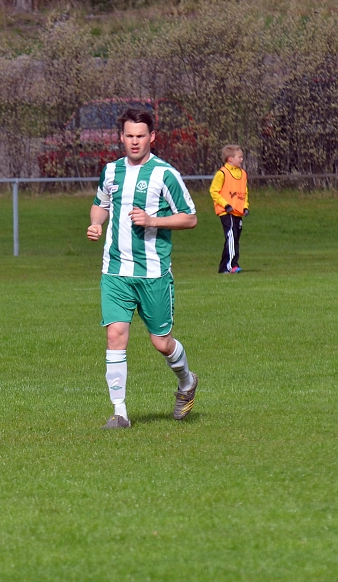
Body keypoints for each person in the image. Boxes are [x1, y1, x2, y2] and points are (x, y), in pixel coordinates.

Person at [86, 108, 200, 429]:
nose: (134, 142)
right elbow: (100, 204)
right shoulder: (110, 172)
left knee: (161, 342)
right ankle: (119, 412)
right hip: (115, 271)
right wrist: (96, 224)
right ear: (121, 137)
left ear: (152, 137)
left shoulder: (165, 174)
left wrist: (152, 220)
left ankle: (186, 382)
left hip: (152, 273)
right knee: (115, 335)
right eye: (129, 136)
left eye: (140, 136)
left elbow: (190, 218)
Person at [209, 144, 249, 274]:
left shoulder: (243, 174)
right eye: (239, 157)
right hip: (227, 212)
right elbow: (214, 191)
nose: (242, 159)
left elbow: (245, 192)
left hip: (238, 212)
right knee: (231, 236)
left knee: (234, 239)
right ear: (230, 159)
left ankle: (223, 266)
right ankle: (232, 265)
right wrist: (225, 204)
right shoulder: (222, 173)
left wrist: (245, 206)